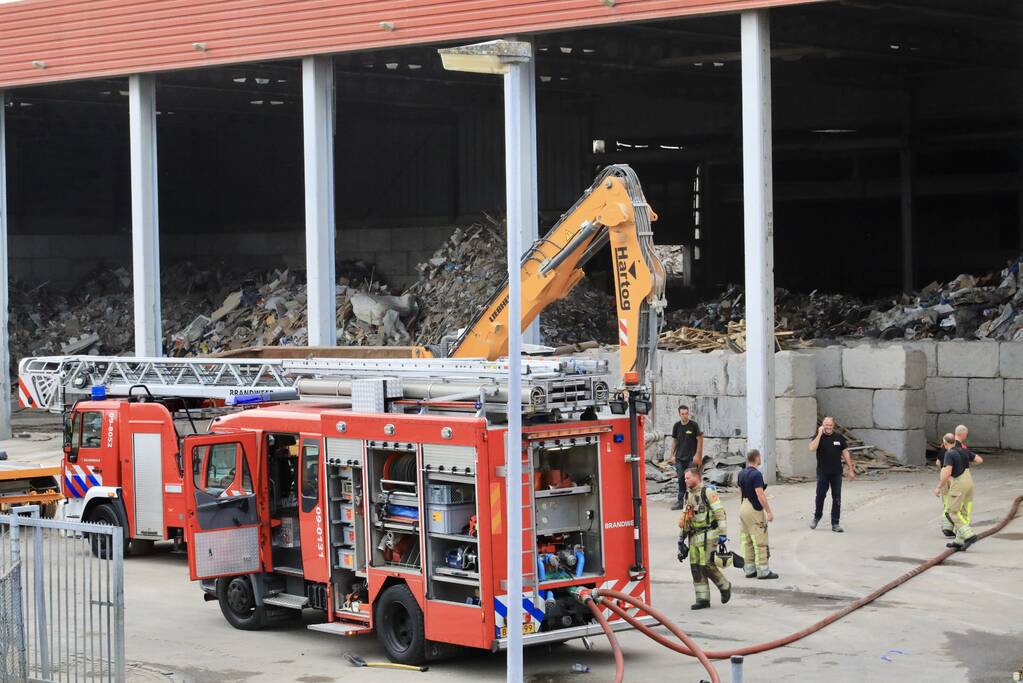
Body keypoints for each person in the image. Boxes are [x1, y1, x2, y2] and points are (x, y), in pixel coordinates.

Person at [678, 468, 730, 610]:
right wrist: (681, 539)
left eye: (688, 478)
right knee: (696, 567)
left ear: (696, 477)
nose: (685, 480)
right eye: (685, 478)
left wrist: (723, 534)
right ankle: (702, 599)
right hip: (693, 536)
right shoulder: (687, 495)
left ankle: (724, 586)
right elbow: (685, 518)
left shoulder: (707, 492)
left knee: (707, 564)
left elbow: (720, 513)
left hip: (709, 534)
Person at [934, 433, 983, 550]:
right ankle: (959, 540)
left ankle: (968, 535)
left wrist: (939, 487)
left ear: (945, 443)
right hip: (969, 481)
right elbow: (979, 460)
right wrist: (965, 464)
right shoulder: (963, 450)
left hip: (959, 482)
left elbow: (947, 473)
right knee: (964, 511)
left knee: (952, 511)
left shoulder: (949, 454)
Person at [807, 416, 855, 532]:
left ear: (833, 425)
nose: (828, 427)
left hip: (836, 473)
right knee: (820, 496)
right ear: (822, 425)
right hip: (823, 473)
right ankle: (817, 517)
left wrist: (851, 469)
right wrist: (819, 434)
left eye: (830, 425)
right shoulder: (818, 436)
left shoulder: (839, 437)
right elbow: (811, 448)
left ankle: (835, 523)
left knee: (837, 498)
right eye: (826, 425)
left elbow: (845, 452)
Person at [737, 449, 778, 580]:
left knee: (747, 539)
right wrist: (769, 511)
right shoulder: (756, 475)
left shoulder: (741, 473)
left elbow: (740, 490)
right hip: (753, 508)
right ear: (757, 458)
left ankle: (749, 569)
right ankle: (763, 571)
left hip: (743, 506)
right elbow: (760, 495)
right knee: (760, 539)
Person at [668, 405, 704, 511]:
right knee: (681, 479)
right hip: (679, 458)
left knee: (692, 479)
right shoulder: (676, 426)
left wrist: (697, 455)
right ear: (679, 414)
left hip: (691, 458)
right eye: (683, 414)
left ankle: (697, 500)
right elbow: (675, 441)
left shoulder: (693, 425)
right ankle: (681, 501)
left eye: (686, 413)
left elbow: (699, 440)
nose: (685, 416)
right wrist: (672, 455)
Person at [937, 425, 969, 537]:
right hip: (957, 477)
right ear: (964, 435)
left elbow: (937, 462)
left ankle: (946, 527)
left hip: (944, 474)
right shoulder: (963, 448)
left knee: (946, 501)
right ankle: (961, 530)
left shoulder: (944, 445)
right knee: (957, 503)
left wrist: (942, 472)